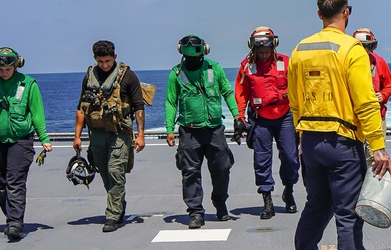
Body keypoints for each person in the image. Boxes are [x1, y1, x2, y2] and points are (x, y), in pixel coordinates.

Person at [285, 0, 391, 250]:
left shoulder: (300, 49)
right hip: (342, 143)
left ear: (319, 14)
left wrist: (303, 138)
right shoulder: (352, 49)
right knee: (348, 218)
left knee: (316, 207)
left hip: (311, 142)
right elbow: (365, 101)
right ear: (347, 13)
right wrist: (378, 146)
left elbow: (293, 101)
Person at [0, 47, 53, 241]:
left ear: (15, 66)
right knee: (1, 184)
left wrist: (44, 139)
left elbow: (37, 113)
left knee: (15, 181)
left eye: (7, 69)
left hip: (21, 141)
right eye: (0, 70)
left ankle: (15, 222)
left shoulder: (28, 84)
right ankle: (10, 217)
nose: (4, 73)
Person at [164, 34, 243, 229]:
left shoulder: (214, 68)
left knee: (222, 168)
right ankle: (196, 212)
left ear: (203, 51)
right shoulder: (176, 74)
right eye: (188, 56)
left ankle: (220, 201)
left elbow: (227, 92)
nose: (193, 60)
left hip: (214, 129)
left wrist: (237, 116)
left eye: (196, 56)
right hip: (189, 131)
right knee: (190, 172)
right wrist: (169, 129)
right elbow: (171, 102)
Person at [74, 40, 146, 232]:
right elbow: (81, 107)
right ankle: (119, 204)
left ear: (114, 57)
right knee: (104, 173)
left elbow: (139, 107)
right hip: (97, 133)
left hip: (120, 132)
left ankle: (112, 215)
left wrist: (140, 135)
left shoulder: (128, 76)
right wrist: (77, 136)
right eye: (100, 61)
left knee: (115, 171)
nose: (104, 65)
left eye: (107, 60)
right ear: (95, 59)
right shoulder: (89, 77)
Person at [233, 26, 299, 219]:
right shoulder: (246, 66)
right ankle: (267, 200)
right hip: (260, 118)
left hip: (285, 115)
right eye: (260, 52)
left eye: (266, 51)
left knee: (290, 157)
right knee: (262, 160)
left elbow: (299, 87)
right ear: (253, 48)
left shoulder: (286, 63)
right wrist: (240, 119)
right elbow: (241, 93)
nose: (263, 55)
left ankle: (289, 190)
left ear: (273, 47)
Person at [353, 28, 391, 135]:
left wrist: (383, 95)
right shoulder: (346, 62)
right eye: (361, 46)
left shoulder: (379, 61)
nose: (365, 50)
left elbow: (389, 85)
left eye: (368, 46)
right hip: (353, 117)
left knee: (375, 150)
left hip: (376, 115)